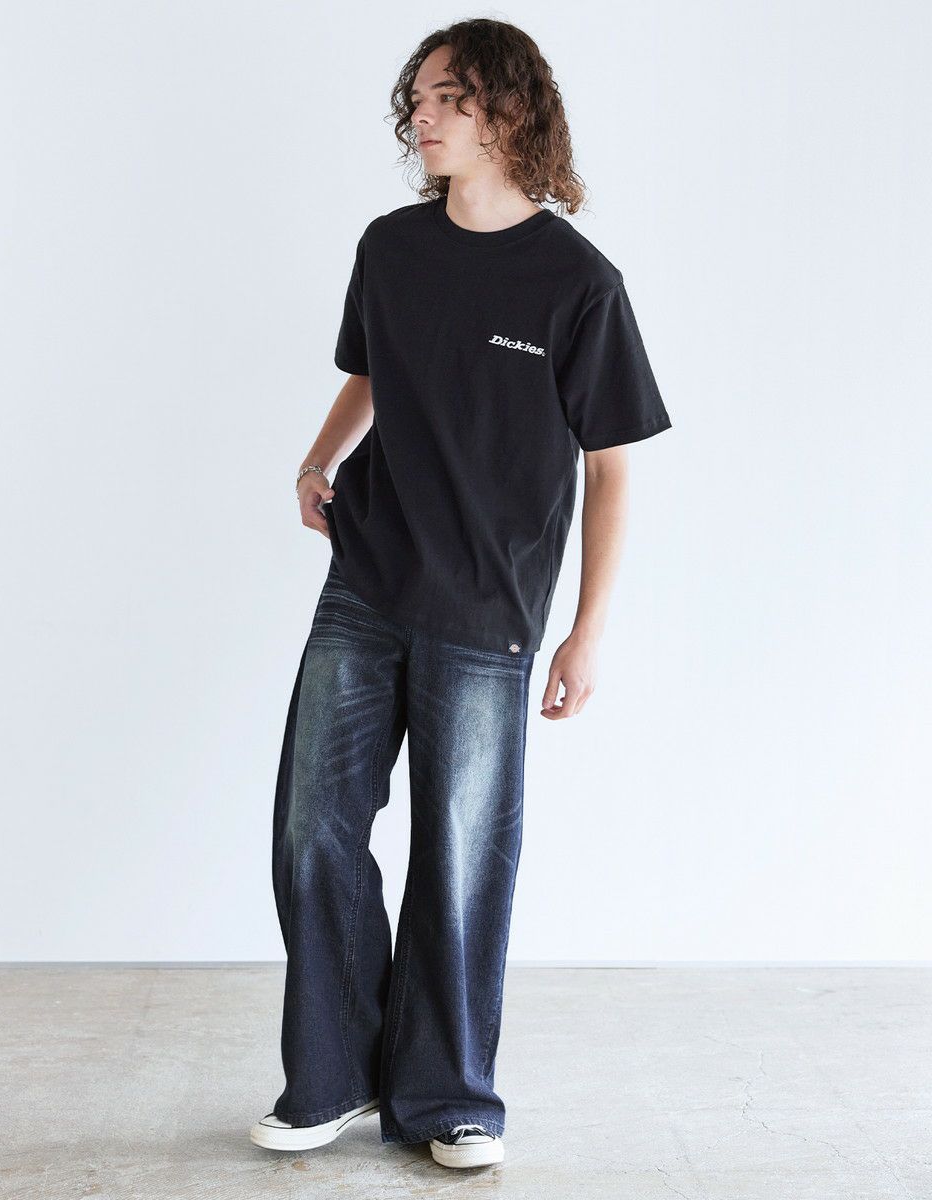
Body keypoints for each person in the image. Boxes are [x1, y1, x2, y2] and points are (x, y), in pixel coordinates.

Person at [250, 18, 671, 1170]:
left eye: (448, 98)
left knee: (461, 857)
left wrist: (586, 632)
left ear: (508, 112)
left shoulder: (578, 283)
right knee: (312, 830)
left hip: (487, 610)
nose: (422, 118)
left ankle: (447, 1100)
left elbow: (611, 465)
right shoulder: (390, 246)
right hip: (366, 579)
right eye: (418, 100)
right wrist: (318, 458)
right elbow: (372, 369)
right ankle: (333, 1077)